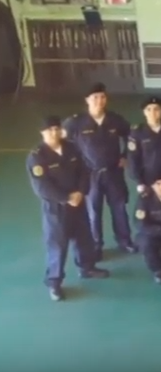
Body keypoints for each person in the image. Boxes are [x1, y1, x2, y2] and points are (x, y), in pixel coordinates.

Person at [26, 116, 110, 301]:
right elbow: (42, 187)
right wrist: (66, 198)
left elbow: (84, 170)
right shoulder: (37, 155)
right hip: (57, 209)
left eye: (57, 129)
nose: (54, 133)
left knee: (84, 237)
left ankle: (87, 267)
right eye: (50, 130)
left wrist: (80, 192)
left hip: (78, 203)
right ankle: (54, 282)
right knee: (58, 244)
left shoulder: (71, 147)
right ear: (42, 133)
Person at [62, 82, 137, 260]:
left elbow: (131, 137)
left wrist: (125, 155)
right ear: (87, 100)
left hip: (113, 172)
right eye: (95, 97)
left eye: (102, 97)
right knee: (93, 211)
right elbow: (64, 145)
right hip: (90, 175)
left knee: (119, 208)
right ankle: (96, 245)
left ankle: (124, 240)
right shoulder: (75, 122)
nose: (99, 101)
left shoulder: (115, 119)